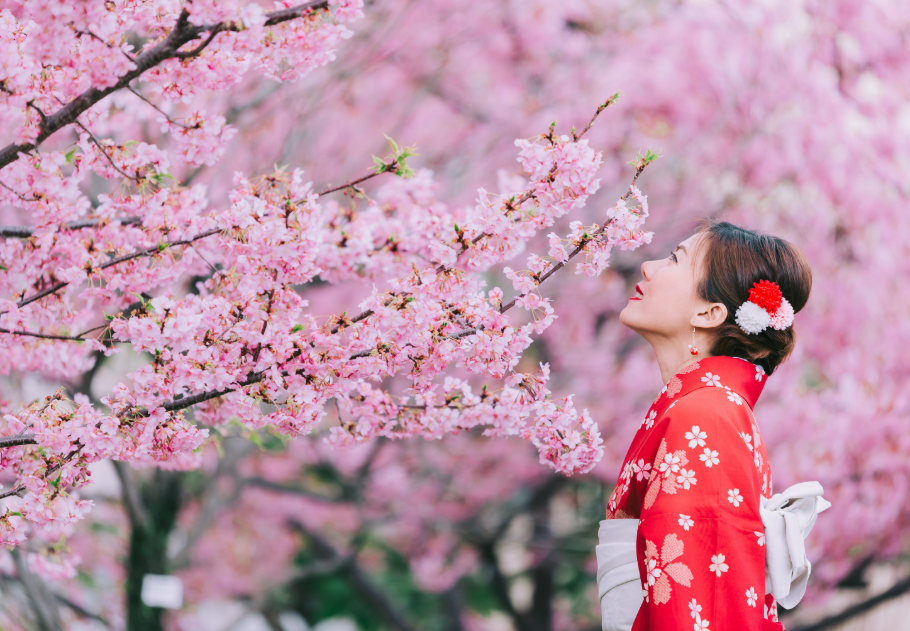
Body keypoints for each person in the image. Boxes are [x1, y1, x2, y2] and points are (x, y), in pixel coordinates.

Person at [596, 221, 826, 631]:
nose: (647, 267)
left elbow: (698, 602)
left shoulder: (706, 414)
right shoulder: (705, 407)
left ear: (709, 313)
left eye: (674, 259)